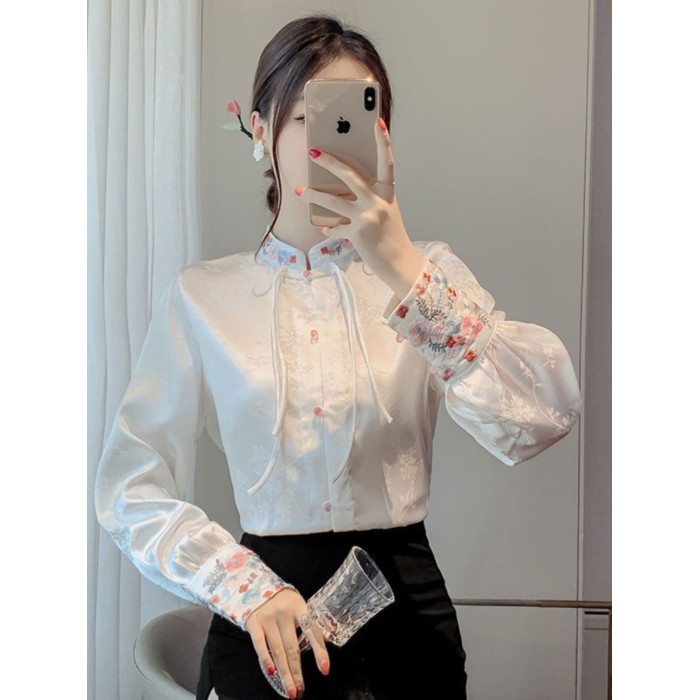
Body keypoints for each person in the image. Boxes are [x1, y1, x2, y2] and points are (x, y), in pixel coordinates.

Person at [94, 13, 582, 700]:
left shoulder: (428, 276)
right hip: (266, 620)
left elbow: (541, 416)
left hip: (408, 626)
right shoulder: (202, 298)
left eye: (356, 116)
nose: (330, 142)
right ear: (259, 131)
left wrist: (402, 267)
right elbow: (129, 486)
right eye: (307, 117)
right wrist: (242, 586)